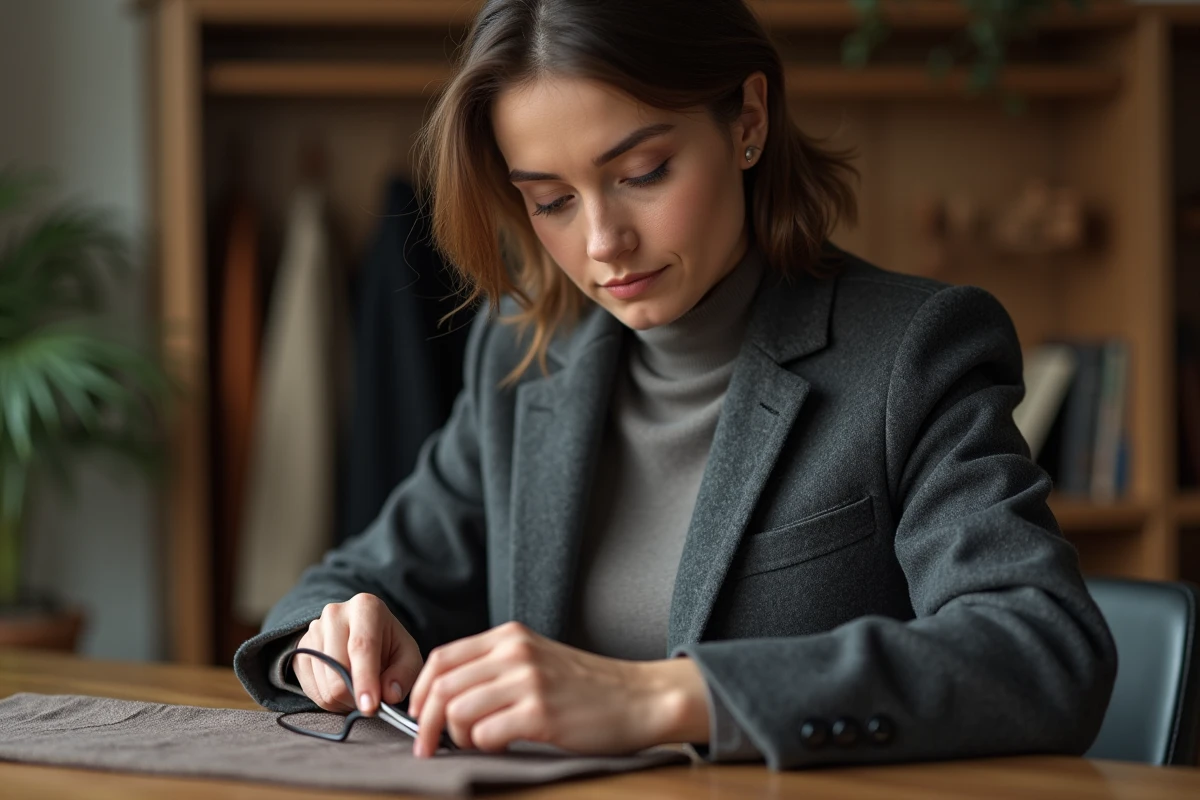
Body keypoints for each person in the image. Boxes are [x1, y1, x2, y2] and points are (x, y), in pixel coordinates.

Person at [233, 0, 1117, 770]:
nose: (602, 241)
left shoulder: (912, 353)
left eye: (643, 173)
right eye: (551, 201)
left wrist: (662, 698)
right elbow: (351, 576)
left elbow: (1040, 651)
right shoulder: (520, 359)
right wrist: (338, 631)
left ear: (748, 120)